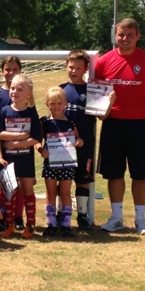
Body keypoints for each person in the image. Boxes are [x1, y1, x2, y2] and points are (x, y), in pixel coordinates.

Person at [95, 18, 145, 234]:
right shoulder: (103, 61)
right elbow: (97, 94)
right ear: (115, 36)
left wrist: (139, 109)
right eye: (121, 35)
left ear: (137, 36)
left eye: (130, 35)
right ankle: (116, 218)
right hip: (112, 124)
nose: (125, 39)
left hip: (140, 125)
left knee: (140, 174)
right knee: (114, 173)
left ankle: (140, 219)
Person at [0, 74, 41, 238]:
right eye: (12, 88)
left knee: (27, 191)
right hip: (9, 161)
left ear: (29, 93)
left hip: (26, 160)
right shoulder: (4, 111)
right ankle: (9, 224)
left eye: (20, 89)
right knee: (9, 192)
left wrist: (17, 144)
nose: (14, 91)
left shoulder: (31, 112)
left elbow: (36, 137)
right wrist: (20, 136)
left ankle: (31, 225)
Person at [37, 87, 84, 237]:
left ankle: (66, 225)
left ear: (65, 103)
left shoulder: (70, 122)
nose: (56, 107)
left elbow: (78, 138)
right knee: (50, 194)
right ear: (47, 104)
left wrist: (79, 142)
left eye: (59, 103)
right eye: (52, 103)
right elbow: (37, 141)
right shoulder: (44, 122)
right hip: (50, 163)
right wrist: (40, 150)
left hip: (67, 163)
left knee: (65, 194)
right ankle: (51, 224)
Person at [0, 55, 30, 231]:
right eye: (7, 69)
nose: (11, 72)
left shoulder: (25, 92)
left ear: (20, 71)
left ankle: (18, 216)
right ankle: (4, 216)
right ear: (2, 71)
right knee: (5, 182)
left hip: (22, 147)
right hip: (3, 146)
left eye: (15, 69)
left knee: (20, 183)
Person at [61, 50, 96, 229]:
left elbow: (102, 116)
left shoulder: (92, 90)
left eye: (78, 68)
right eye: (71, 67)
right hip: (63, 145)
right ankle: (62, 213)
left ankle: (82, 214)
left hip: (85, 144)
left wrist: (109, 102)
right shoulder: (61, 89)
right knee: (62, 179)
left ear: (86, 69)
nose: (74, 71)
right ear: (66, 66)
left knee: (82, 179)